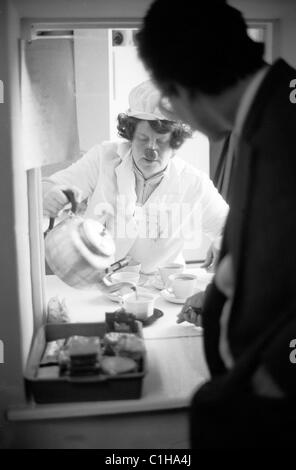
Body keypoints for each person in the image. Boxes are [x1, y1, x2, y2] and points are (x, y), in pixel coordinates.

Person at [137, 0, 296, 448]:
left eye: (171, 101)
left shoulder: (287, 117)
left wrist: (277, 374)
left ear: (184, 88)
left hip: (275, 405)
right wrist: (221, 288)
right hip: (244, 386)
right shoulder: (259, 120)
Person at [43, 80, 228, 275]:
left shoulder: (193, 182)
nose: (152, 150)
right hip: (96, 282)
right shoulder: (104, 158)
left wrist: (224, 241)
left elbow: (233, 228)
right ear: (130, 135)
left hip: (163, 289)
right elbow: (48, 186)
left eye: (161, 141)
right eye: (143, 139)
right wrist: (51, 193)